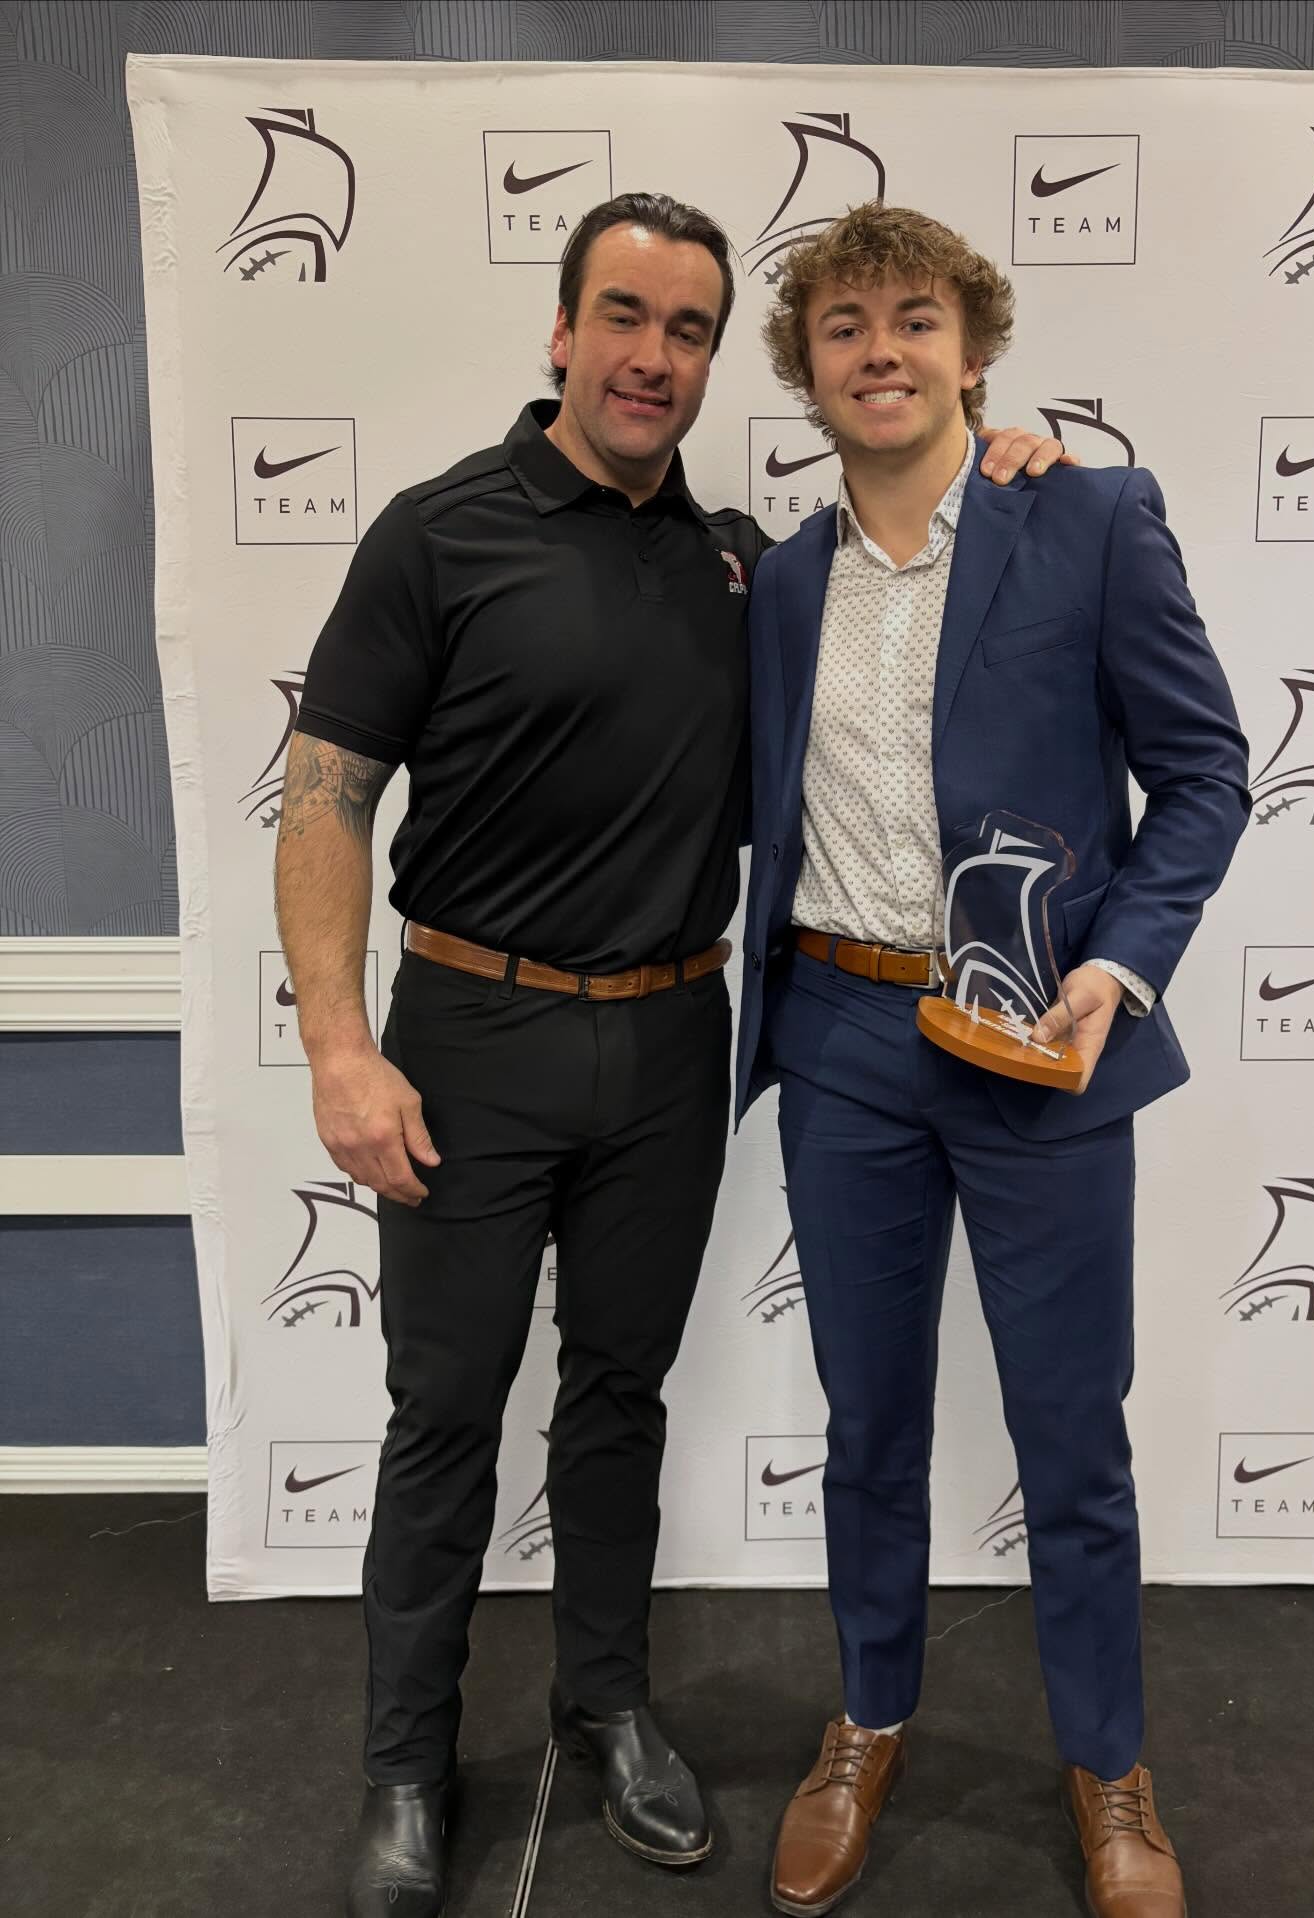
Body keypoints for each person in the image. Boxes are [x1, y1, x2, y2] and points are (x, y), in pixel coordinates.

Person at [274, 190, 1064, 1918]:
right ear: (562, 331)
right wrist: (337, 1043)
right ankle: (405, 1763)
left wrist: (1013, 461)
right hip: (468, 1041)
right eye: (624, 316)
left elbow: (916, 579)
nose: (653, 355)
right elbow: (325, 793)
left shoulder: (742, 566)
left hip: (667, 1041)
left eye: (688, 329)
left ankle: (607, 1707)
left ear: (715, 359)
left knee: (617, 1397)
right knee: (443, 1414)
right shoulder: (437, 533)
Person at [736, 201, 1251, 1918]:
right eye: (844, 325)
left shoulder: (1088, 516)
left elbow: (1206, 774)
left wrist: (1120, 965)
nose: (879, 349)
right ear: (807, 365)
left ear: (974, 350)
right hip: (841, 1032)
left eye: (914, 319)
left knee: (1070, 1430)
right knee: (869, 1421)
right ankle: (868, 1719)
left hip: (1040, 1041)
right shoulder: (781, 581)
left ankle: (1109, 1761)